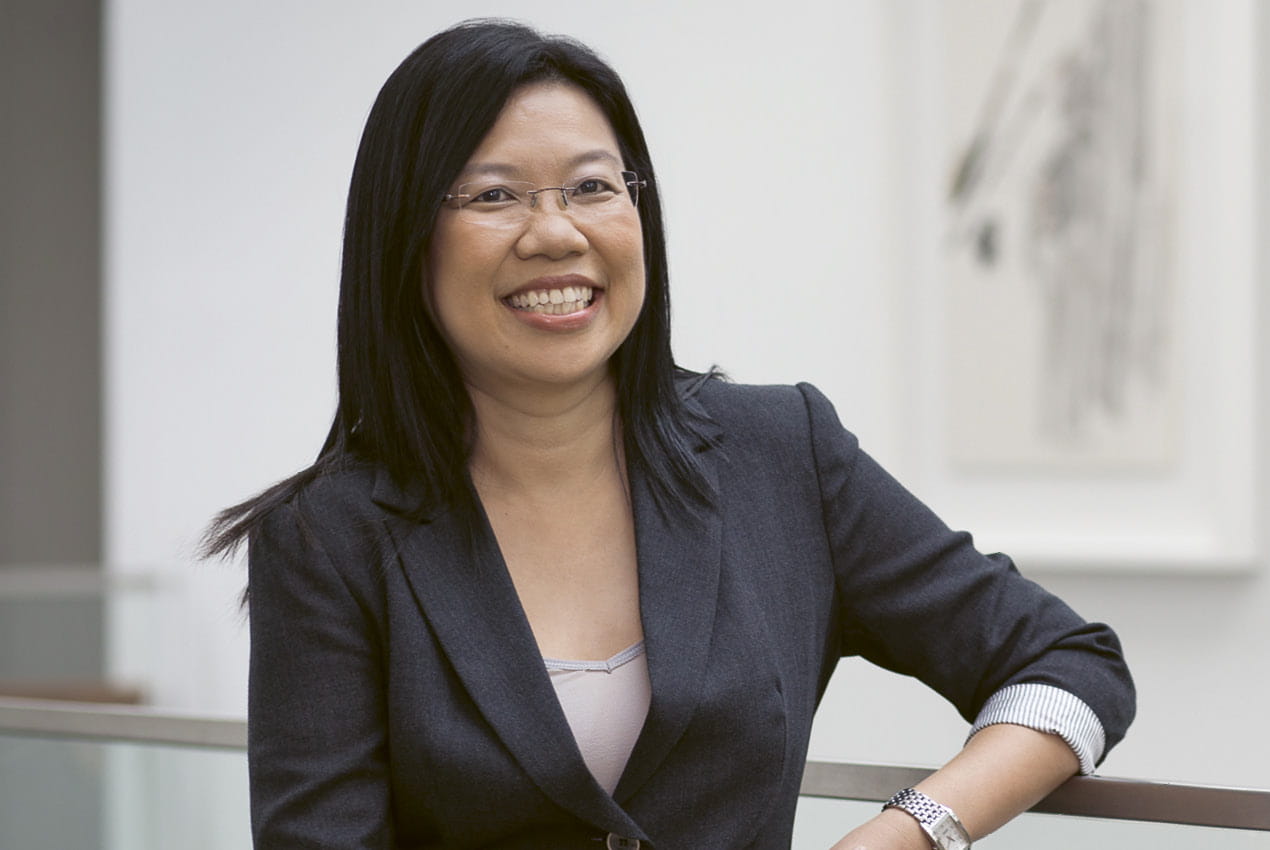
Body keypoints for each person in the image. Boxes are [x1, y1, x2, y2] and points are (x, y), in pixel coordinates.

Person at [202, 19, 1135, 850]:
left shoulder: (781, 453)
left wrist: (916, 829)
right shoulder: (331, 538)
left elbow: (1069, 666)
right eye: (494, 197)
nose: (556, 233)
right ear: (406, 240)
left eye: (592, 187)